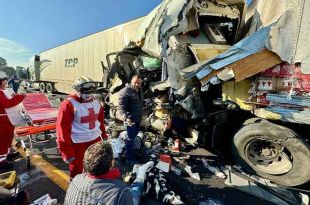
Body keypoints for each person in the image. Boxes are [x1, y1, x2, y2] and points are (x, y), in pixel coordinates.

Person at [64, 141, 154, 205]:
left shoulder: (77, 178)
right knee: (135, 194)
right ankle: (141, 173)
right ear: (112, 163)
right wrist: (140, 178)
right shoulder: (120, 192)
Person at [56, 76, 108, 179]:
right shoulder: (69, 104)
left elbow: (100, 121)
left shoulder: (96, 102)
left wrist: (104, 135)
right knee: (77, 168)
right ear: (78, 90)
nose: (88, 95)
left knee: (96, 164)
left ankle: (93, 183)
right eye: (86, 92)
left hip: (95, 140)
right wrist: (66, 152)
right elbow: (62, 130)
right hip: (77, 143)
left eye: (91, 92)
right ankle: (75, 187)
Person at [0, 72, 25, 169]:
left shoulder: (4, 90)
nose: (6, 82)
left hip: (7, 119)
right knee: (2, 139)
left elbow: (10, 99)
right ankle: (1, 160)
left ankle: (5, 154)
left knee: (8, 138)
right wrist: (21, 97)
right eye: (4, 80)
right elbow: (7, 103)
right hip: (2, 120)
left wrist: (16, 96)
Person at [118, 75, 143, 164]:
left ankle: (126, 152)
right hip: (130, 120)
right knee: (130, 138)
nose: (137, 84)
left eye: (139, 83)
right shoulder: (125, 91)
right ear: (131, 81)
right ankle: (129, 158)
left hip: (137, 119)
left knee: (133, 136)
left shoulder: (138, 91)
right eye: (135, 82)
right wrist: (126, 118)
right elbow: (121, 108)